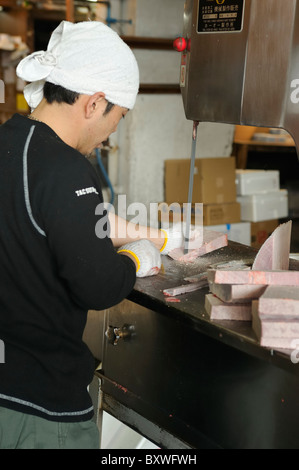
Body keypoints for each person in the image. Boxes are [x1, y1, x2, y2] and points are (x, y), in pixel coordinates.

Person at [0, 20, 185, 449]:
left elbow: (62, 217)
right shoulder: (68, 169)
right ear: (94, 103)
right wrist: (136, 259)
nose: (111, 133)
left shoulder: (13, 143)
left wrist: (154, 234)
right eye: (117, 117)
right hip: (45, 412)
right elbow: (97, 285)